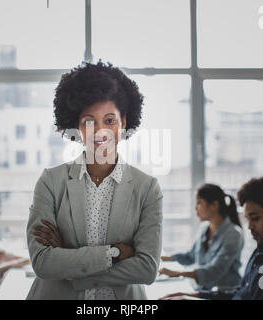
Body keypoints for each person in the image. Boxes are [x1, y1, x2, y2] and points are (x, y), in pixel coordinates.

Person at [26, 61, 163, 300]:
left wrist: (70, 263)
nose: (100, 131)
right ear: (76, 127)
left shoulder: (147, 188)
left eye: (109, 120)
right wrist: (116, 253)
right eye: (89, 121)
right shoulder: (51, 182)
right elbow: (43, 263)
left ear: (124, 122)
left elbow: (147, 269)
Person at [160, 177, 263, 300]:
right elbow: (242, 293)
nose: (249, 227)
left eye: (255, 218)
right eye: (248, 219)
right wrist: (197, 295)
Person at [159, 183, 244, 290]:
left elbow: (215, 270)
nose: (195, 208)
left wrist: (178, 273)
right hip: (203, 290)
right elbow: (191, 256)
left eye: (199, 203)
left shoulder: (233, 234)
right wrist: (163, 258)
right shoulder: (204, 228)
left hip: (224, 293)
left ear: (214, 205)